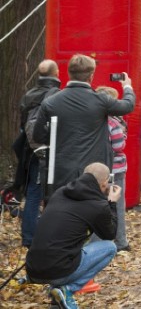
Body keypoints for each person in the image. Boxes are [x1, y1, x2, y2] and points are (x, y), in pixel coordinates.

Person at [25, 163, 121, 309]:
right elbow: (110, 234)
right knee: (110, 248)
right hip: (58, 270)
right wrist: (112, 203)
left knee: (65, 249)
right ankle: (68, 289)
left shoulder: (60, 192)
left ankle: (58, 294)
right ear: (104, 184)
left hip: (32, 268)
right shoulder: (97, 205)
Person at [34, 55, 135, 192]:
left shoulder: (50, 102)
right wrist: (127, 86)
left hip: (62, 170)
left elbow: (38, 136)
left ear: (69, 73)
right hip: (94, 173)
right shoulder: (101, 100)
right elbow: (128, 105)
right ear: (91, 76)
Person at [16, 59, 61, 247]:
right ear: (56, 73)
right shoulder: (58, 95)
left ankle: (28, 237)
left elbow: (23, 123)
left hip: (33, 150)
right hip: (52, 150)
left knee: (33, 194)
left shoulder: (28, 95)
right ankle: (48, 236)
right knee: (54, 193)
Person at [95, 87, 129, 251]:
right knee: (117, 205)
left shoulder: (92, 119)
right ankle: (121, 240)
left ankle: (96, 241)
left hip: (97, 169)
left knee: (96, 205)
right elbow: (119, 145)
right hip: (116, 167)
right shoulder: (115, 122)